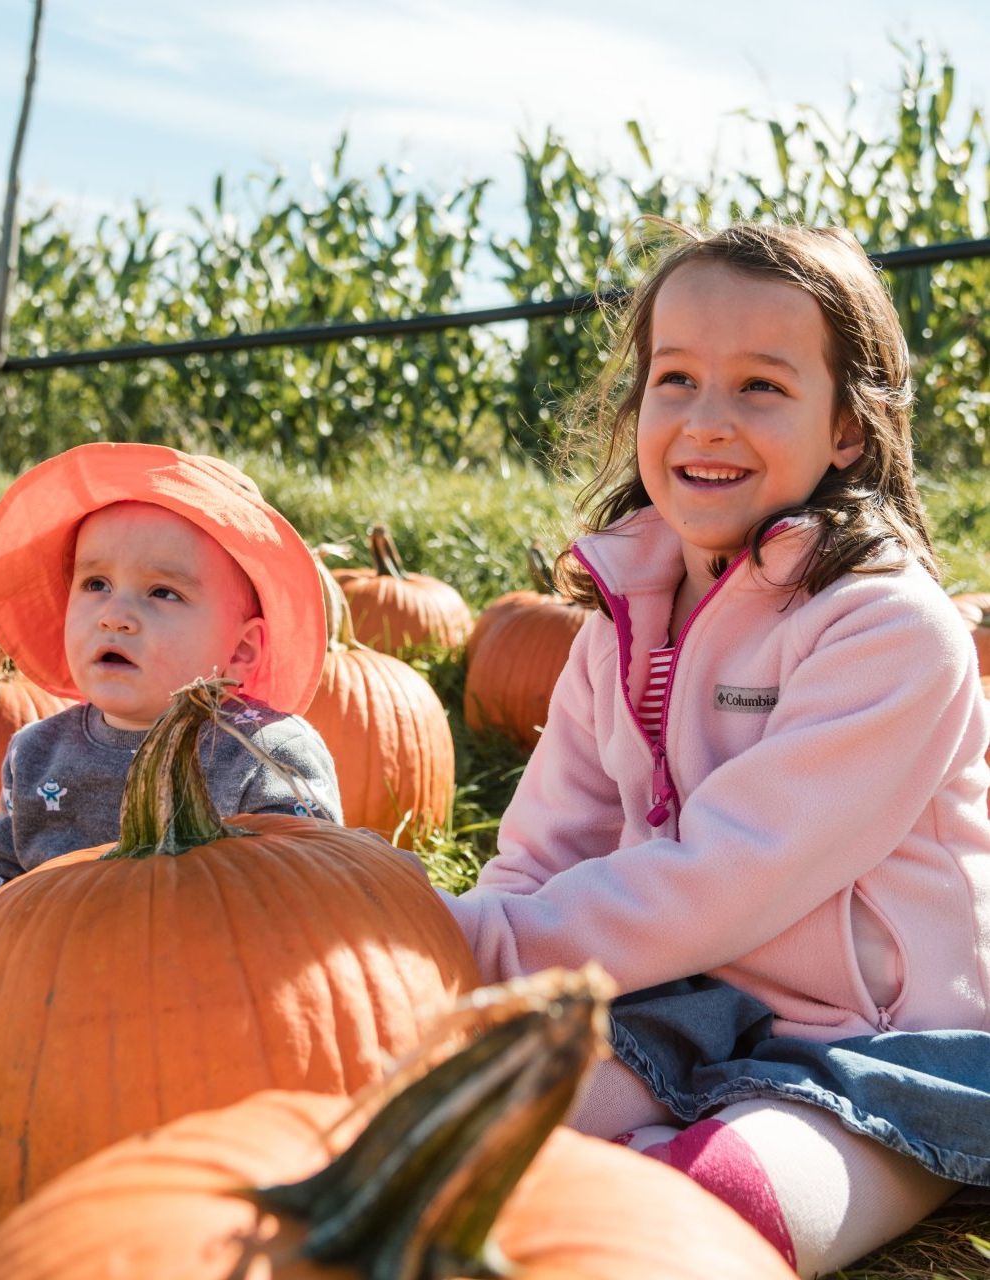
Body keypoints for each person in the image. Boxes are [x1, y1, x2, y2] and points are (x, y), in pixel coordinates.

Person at [442, 221, 990, 1277]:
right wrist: (466, 975)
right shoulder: (619, 616)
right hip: (685, 1001)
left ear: (847, 429)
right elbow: (546, 845)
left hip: (874, 1045)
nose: (707, 420)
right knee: (472, 1128)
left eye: (759, 387)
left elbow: (735, 871)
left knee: (706, 1207)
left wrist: (482, 941)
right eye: (677, 378)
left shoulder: (887, 631)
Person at [0, 442, 342, 937]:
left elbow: (317, 887)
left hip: (211, 983)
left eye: (162, 592)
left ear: (241, 650)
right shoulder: (37, 753)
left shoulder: (266, 756)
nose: (114, 615)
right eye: (95, 584)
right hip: (56, 988)